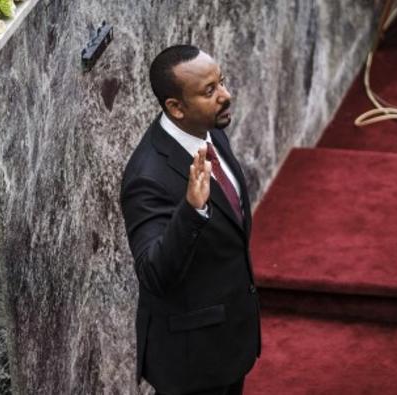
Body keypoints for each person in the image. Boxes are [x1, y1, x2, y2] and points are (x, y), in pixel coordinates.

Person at [120, 45, 260, 395]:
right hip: (191, 361)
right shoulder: (146, 176)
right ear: (176, 108)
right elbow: (153, 273)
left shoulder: (210, 129)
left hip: (229, 340)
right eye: (209, 91)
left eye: (222, 82)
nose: (225, 96)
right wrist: (192, 211)